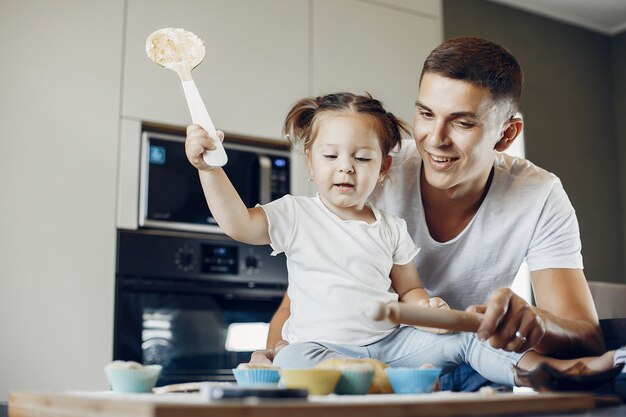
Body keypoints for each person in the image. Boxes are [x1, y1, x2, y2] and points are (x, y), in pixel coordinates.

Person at [186, 91, 623, 389]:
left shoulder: (390, 226)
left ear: (383, 169)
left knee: (467, 337)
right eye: (331, 156)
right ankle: (366, 378)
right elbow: (238, 224)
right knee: (291, 362)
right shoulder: (294, 214)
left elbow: (408, 287)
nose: (346, 168)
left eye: (362, 158)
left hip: (391, 344)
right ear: (310, 163)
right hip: (318, 347)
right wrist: (209, 169)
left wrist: (425, 305)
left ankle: (539, 371)